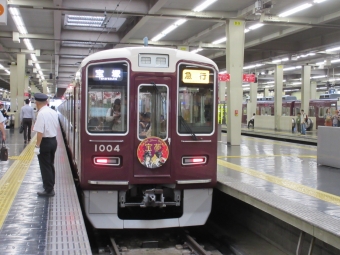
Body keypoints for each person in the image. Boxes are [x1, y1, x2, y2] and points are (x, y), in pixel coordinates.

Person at [33, 93, 59, 197]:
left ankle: (48, 190)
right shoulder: (53, 112)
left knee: (45, 166)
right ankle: (51, 185)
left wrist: (37, 146)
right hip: (53, 141)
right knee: (50, 164)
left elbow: (40, 132)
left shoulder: (41, 113)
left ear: (37, 103)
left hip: (45, 142)